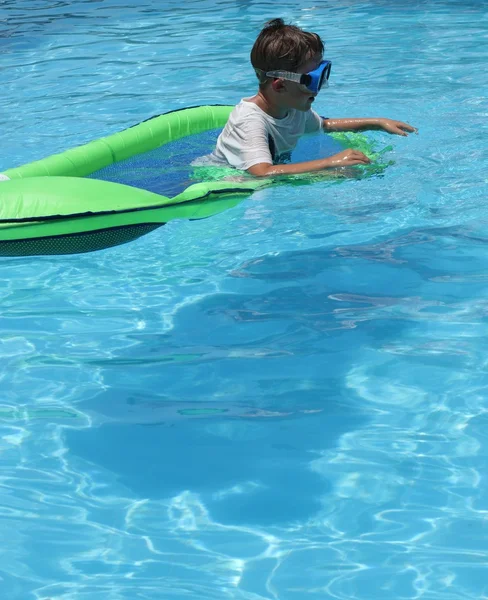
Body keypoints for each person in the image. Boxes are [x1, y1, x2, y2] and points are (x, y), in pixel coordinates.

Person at [209, 18, 417, 177]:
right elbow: (261, 173)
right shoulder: (250, 120)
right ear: (280, 85)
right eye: (312, 81)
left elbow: (325, 125)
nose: (318, 89)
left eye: (322, 76)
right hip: (225, 177)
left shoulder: (290, 107)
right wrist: (329, 162)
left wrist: (377, 122)